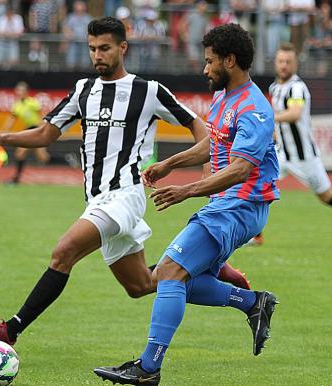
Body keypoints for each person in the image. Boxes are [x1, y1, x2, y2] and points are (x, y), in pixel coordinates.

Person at [0, 17, 251, 346]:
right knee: (142, 285)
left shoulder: (148, 91)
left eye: (104, 48)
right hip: (98, 198)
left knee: (63, 252)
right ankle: (227, 283)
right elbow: (46, 133)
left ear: (122, 47)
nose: (97, 56)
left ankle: (9, 330)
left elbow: (197, 125)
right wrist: (3, 137)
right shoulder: (82, 91)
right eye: (92, 49)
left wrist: (209, 164)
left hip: (125, 196)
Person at [94, 23, 279, 386]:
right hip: (226, 207)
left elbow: (241, 169)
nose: (205, 69)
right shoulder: (225, 97)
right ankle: (252, 302)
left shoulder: (255, 109)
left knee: (170, 272)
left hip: (239, 207)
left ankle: (148, 368)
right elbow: (215, 144)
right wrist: (170, 164)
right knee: (171, 276)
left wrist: (186, 190)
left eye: (210, 62)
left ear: (230, 60)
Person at [265, 43, 332, 249]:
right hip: (282, 154)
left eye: (288, 62)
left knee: (327, 196)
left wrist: (269, 118)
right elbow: (278, 124)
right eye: (281, 61)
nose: (284, 65)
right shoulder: (274, 87)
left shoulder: (297, 87)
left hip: (305, 157)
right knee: (257, 185)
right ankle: (256, 234)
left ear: (295, 64)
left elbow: (294, 113)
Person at [0, 81, 51, 185]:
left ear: (26, 92)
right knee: (42, 157)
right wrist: (3, 132)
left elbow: (42, 115)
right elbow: (11, 119)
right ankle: (68, 160)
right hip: (29, 129)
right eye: (17, 90)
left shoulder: (33, 102)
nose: (18, 92)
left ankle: (15, 179)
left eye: (21, 90)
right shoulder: (17, 105)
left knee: (25, 153)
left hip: (37, 129)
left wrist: (45, 129)